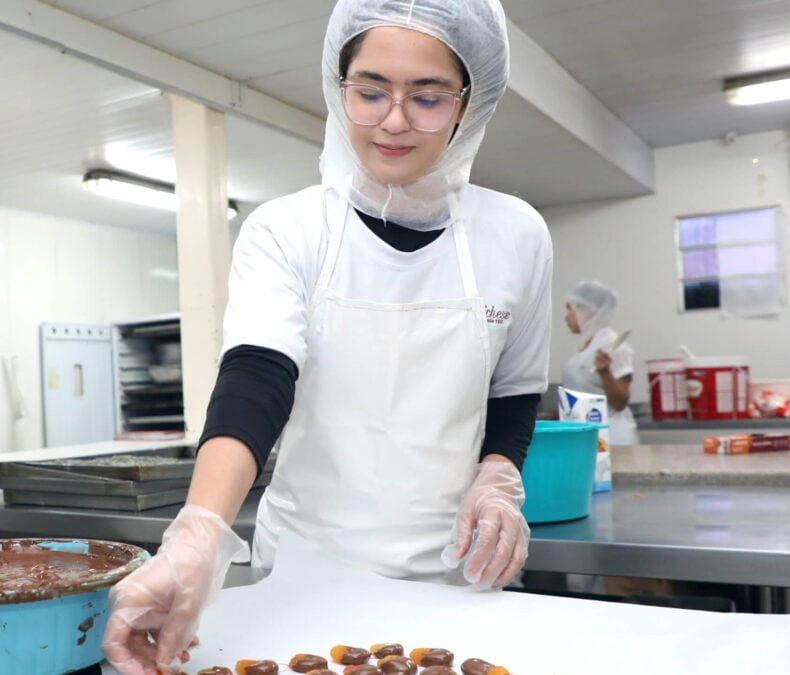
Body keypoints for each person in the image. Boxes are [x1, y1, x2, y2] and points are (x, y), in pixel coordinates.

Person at [103, 1, 553, 673]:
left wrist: (498, 476)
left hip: (459, 581)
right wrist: (198, 533)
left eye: (426, 97)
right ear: (337, 87)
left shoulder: (516, 234)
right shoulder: (286, 230)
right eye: (370, 91)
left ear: (469, 102)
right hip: (306, 582)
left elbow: (515, 394)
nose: (394, 120)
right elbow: (257, 376)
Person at [561, 280, 639, 445]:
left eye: (570, 309)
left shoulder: (612, 344)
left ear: (587, 310)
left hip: (612, 437)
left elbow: (619, 402)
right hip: (588, 434)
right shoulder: (585, 346)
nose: (566, 317)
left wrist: (605, 372)